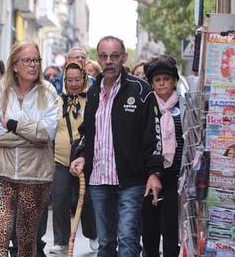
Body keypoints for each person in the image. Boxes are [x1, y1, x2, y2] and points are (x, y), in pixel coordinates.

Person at [69, 36, 163, 257]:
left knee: (128, 239)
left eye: (114, 56)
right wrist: (81, 155)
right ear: (98, 59)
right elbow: (87, 132)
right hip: (99, 180)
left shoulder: (141, 91)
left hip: (131, 180)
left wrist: (154, 173)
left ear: (124, 58)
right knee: (105, 243)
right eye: (104, 56)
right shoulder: (93, 92)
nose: (109, 61)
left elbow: (153, 136)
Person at [0, 41, 59, 256]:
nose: (33, 65)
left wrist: (12, 125)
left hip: (35, 176)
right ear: (15, 65)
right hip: (3, 174)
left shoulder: (49, 92)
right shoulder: (1, 90)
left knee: (27, 241)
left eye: (36, 60)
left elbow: (47, 133)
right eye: (27, 60)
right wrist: (30, 136)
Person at [50, 62, 98, 254]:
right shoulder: (57, 101)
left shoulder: (91, 99)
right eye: (69, 80)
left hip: (83, 158)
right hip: (60, 158)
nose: (73, 83)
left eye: (77, 79)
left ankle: (93, 235)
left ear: (84, 78)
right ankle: (60, 241)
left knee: (86, 201)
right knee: (59, 199)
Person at [141, 55, 185, 257]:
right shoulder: (146, 106)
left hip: (176, 176)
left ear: (174, 81)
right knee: (149, 229)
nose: (161, 83)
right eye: (157, 80)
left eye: (166, 79)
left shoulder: (184, 107)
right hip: (150, 176)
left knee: (170, 228)